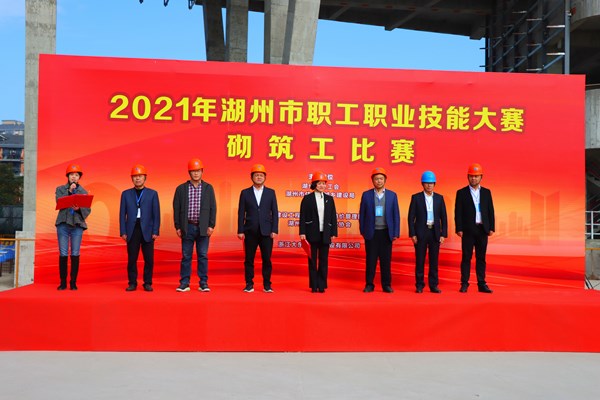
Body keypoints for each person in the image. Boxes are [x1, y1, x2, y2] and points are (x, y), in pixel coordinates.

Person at [173, 158, 217, 292]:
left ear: (202, 171)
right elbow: (176, 208)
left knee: (202, 255)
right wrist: (178, 227)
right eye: (193, 171)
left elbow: (213, 208)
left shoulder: (208, 188)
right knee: (186, 256)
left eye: (198, 171)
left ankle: (203, 283)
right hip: (187, 227)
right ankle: (184, 283)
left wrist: (211, 226)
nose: (196, 173)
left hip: (203, 227)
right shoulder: (181, 189)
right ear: (189, 172)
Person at [237, 164, 279, 293]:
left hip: (267, 232)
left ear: (265, 177)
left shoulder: (271, 193)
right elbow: (241, 212)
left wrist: (274, 229)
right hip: (250, 231)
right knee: (249, 259)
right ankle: (249, 284)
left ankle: (267, 285)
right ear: (252, 177)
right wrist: (240, 230)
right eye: (256, 175)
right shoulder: (245, 193)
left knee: (267, 259)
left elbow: (275, 212)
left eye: (261, 175)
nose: (259, 177)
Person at [454, 163, 495, 293]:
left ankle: (482, 284)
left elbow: (490, 211)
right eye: (471, 176)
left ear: (481, 177)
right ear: (468, 177)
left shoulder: (486, 192)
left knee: (481, 258)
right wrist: (459, 228)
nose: (474, 178)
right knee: (466, 257)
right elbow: (458, 212)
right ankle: (464, 283)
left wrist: (491, 227)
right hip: (468, 230)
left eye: (476, 176)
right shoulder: (461, 193)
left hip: (482, 229)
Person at [119, 164, 160, 292]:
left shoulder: (152, 194)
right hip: (132, 229)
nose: (137, 178)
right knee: (132, 259)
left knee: (149, 259)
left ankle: (147, 283)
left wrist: (155, 231)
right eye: (135, 176)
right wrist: (123, 231)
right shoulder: (126, 194)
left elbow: (156, 214)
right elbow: (122, 214)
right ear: (132, 178)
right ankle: (132, 283)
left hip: (148, 229)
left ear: (145, 178)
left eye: (140, 176)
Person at [359, 167, 400, 293]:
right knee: (370, 260)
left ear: (385, 180)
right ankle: (369, 284)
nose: (379, 181)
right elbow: (362, 214)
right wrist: (363, 231)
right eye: (376, 179)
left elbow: (396, 215)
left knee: (385, 261)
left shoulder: (392, 195)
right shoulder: (366, 195)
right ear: (372, 180)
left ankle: (386, 285)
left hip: (386, 233)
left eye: (381, 179)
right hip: (371, 233)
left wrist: (395, 232)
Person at [408, 171, 448, 294]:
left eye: (431, 183)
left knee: (434, 261)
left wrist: (443, 234)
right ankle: (419, 285)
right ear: (422, 184)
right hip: (421, 232)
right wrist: (413, 234)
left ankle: (433, 285)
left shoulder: (439, 198)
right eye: (426, 183)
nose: (429, 185)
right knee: (420, 260)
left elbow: (444, 217)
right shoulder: (416, 198)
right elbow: (411, 217)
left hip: (435, 232)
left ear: (434, 184)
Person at [299, 171, 338, 293]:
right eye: (319, 183)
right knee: (312, 260)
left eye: (323, 183)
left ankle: (322, 285)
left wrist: (333, 232)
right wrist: (302, 232)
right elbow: (302, 216)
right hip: (311, 233)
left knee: (323, 260)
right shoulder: (307, 199)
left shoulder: (329, 199)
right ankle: (313, 285)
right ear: (314, 184)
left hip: (325, 234)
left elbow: (333, 217)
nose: (322, 185)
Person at [55, 164, 91, 290]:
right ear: (68, 176)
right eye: (71, 175)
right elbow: (58, 202)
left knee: (75, 253)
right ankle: (63, 282)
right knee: (63, 253)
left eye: (76, 175)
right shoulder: (60, 189)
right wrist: (69, 192)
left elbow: (87, 210)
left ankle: (73, 282)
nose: (74, 177)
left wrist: (79, 209)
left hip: (77, 225)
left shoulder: (84, 192)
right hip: (63, 224)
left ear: (79, 177)